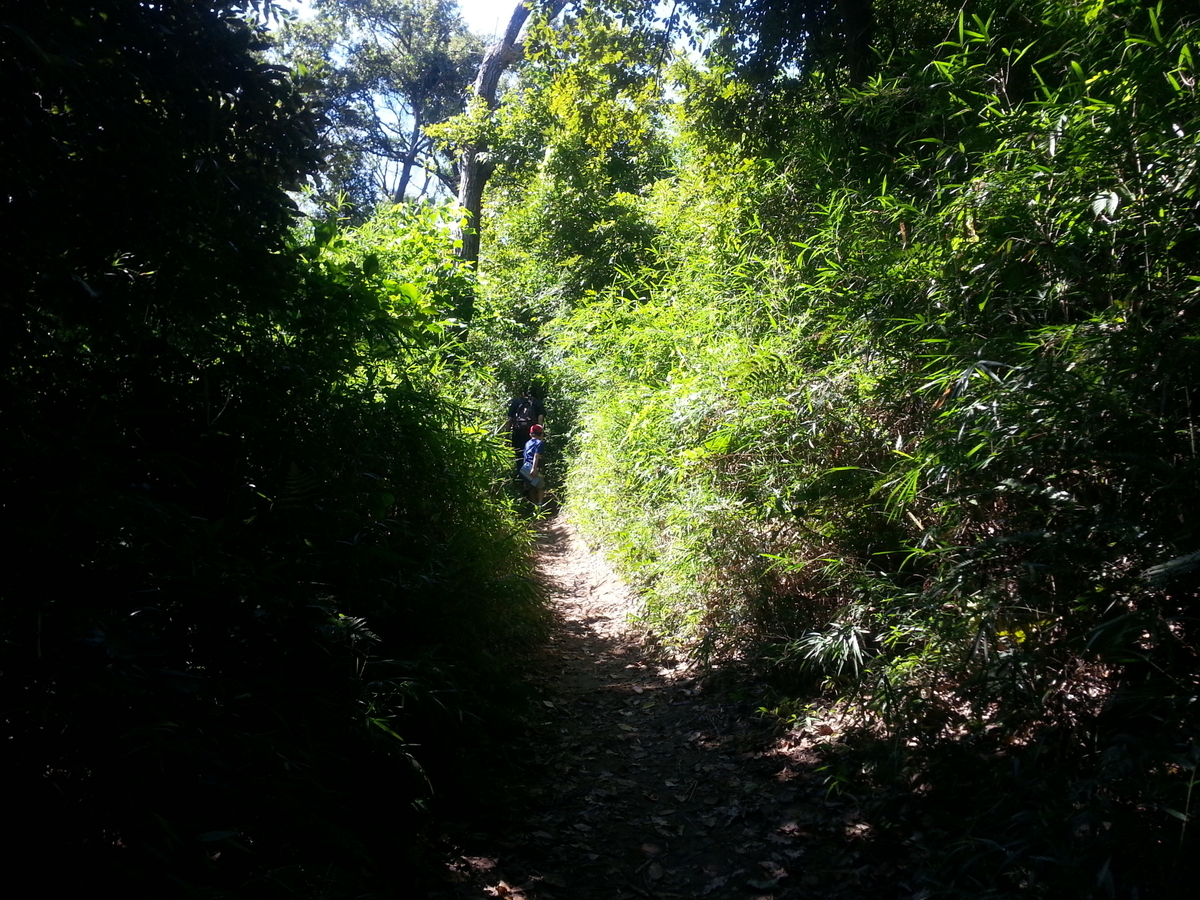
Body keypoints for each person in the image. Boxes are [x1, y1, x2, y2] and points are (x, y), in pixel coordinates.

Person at [506, 385, 545, 462]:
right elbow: (540, 419)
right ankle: (531, 472)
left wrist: (506, 435)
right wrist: (541, 434)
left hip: (518, 434)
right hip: (532, 434)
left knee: (519, 457)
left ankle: (521, 472)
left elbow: (509, 420)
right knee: (533, 456)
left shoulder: (516, 402)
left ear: (523, 393)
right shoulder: (537, 403)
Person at [520, 423, 546, 505]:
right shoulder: (540, 443)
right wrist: (534, 469)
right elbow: (536, 455)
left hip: (525, 466)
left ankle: (534, 503)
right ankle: (540, 504)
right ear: (541, 434)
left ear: (531, 434)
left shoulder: (527, 443)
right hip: (533, 467)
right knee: (540, 487)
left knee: (531, 486)